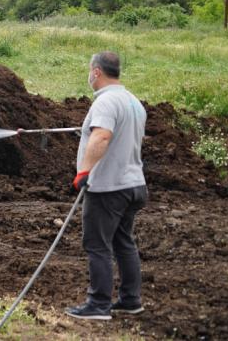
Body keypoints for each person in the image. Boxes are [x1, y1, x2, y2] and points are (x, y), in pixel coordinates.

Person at [65, 51, 148, 321]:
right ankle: (130, 300)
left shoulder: (105, 101)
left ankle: (98, 304)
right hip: (134, 184)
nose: (89, 74)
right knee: (123, 242)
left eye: (90, 70)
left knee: (97, 244)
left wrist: (84, 172)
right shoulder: (133, 101)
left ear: (97, 71)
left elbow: (101, 136)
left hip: (109, 187)